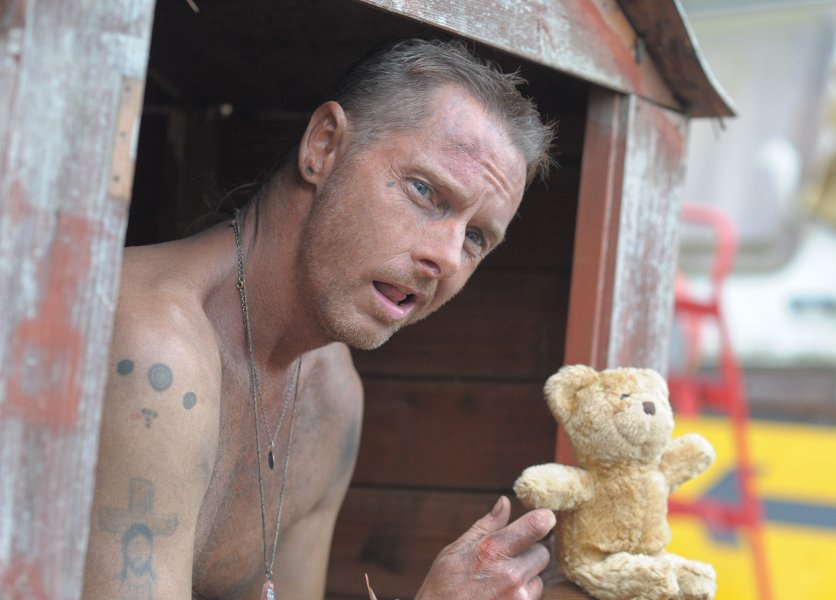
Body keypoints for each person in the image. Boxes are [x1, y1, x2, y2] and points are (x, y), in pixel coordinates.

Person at [82, 38, 568, 600]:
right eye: (424, 191)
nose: (447, 258)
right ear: (324, 146)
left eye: (476, 237)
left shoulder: (331, 395)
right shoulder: (151, 344)